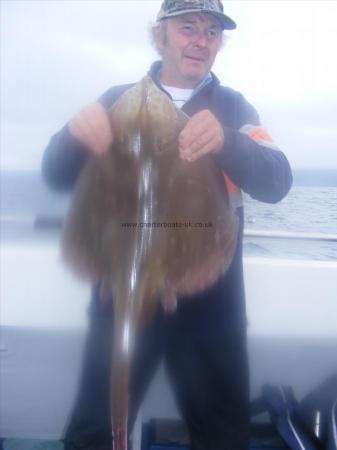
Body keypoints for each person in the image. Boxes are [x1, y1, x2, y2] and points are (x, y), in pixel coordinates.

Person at [42, 1, 293, 449]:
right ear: (159, 36)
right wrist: (72, 137)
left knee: (222, 436)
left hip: (211, 308)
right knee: (93, 433)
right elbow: (56, 174)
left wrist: (228, 141)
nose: (201, 41)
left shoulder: (232, 107)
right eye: (188, 28)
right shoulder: (115, 99)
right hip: (119, 297)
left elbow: (278, 179)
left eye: (211, 31)